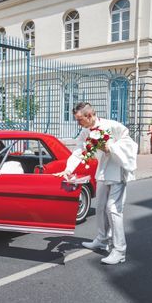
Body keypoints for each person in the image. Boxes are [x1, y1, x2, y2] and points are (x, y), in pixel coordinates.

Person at [55, 102, 137, 265]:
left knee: (113, 209)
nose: (78, 123)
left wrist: (110, 147)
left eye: (79, 120)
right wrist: (68, 169)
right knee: (100, 206)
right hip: (103, 171)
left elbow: (130, 144)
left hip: (117, 170)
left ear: (89, 115)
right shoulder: (85, 132)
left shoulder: (113, 126)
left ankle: (119, 250)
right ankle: (102, 239)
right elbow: (79, 150)